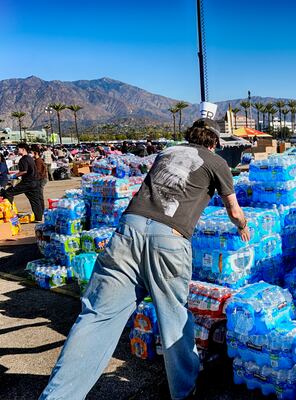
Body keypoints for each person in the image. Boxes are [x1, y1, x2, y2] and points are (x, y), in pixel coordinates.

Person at [40, 118, 250, 400]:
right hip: (169, 240)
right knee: (174, 317)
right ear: (214, 142)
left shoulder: (167, 153)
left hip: (128, 231)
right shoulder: (215, 161)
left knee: (96, 317)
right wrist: (244, 226)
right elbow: (234, 210)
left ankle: (58, 396)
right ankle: (184, 391)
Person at [0, 143, 44, 222]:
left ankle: (8, 212)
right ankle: (39, 218)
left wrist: (13, 176)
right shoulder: (30, 158)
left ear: (23, 149)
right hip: (35, 182)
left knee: (8, 192)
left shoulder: (23, 159)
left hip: (27, 182)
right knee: (35, 200)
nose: (17, 150)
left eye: (18, 148)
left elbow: (24, 171)